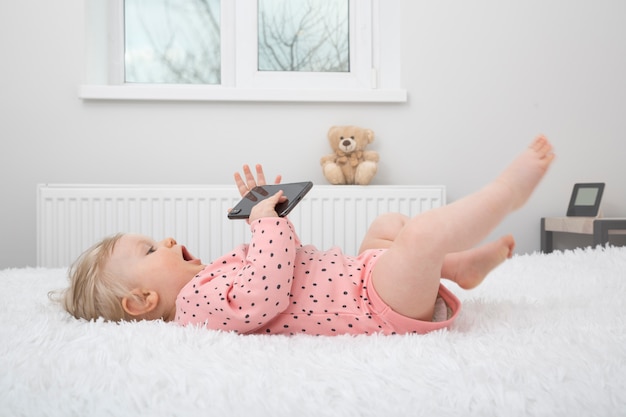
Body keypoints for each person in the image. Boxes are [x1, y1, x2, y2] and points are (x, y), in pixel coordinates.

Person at [57, 135, 555, 336]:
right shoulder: (194, 307)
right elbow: (269, 288)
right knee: (421, 234)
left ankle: (457, 266)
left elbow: (265, 266)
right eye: (149, 249)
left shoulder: (210, 282)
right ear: (143, 300)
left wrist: (261, 216)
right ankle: (505, 193)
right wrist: (265, 223)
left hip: (363, 277)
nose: (166, 241)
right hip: (375, 305)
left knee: (386, 227)